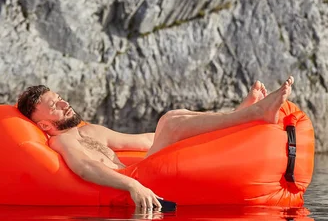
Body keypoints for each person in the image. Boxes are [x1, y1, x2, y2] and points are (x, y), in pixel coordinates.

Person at [17, 77, 294, 211]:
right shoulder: (61, 142)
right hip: (135, 183)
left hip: (143, 171)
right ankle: (251, 115)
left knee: (171, 119)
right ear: (43, 125)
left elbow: (147, 141)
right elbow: (85, 168)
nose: (64, 103)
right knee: (170, 123)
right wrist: (133, 185)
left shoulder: (91, 131)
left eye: (60, 97)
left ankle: (239, 116)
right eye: (54, 106)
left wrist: (173, 137)